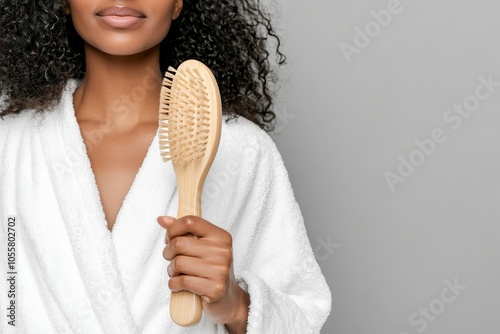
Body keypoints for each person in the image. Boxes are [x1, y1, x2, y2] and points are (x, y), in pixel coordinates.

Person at [0, 0, 331, 333]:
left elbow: (302, 318)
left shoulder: (241, 149)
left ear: (177, 4)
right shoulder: (10, 146)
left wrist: (234, 303)